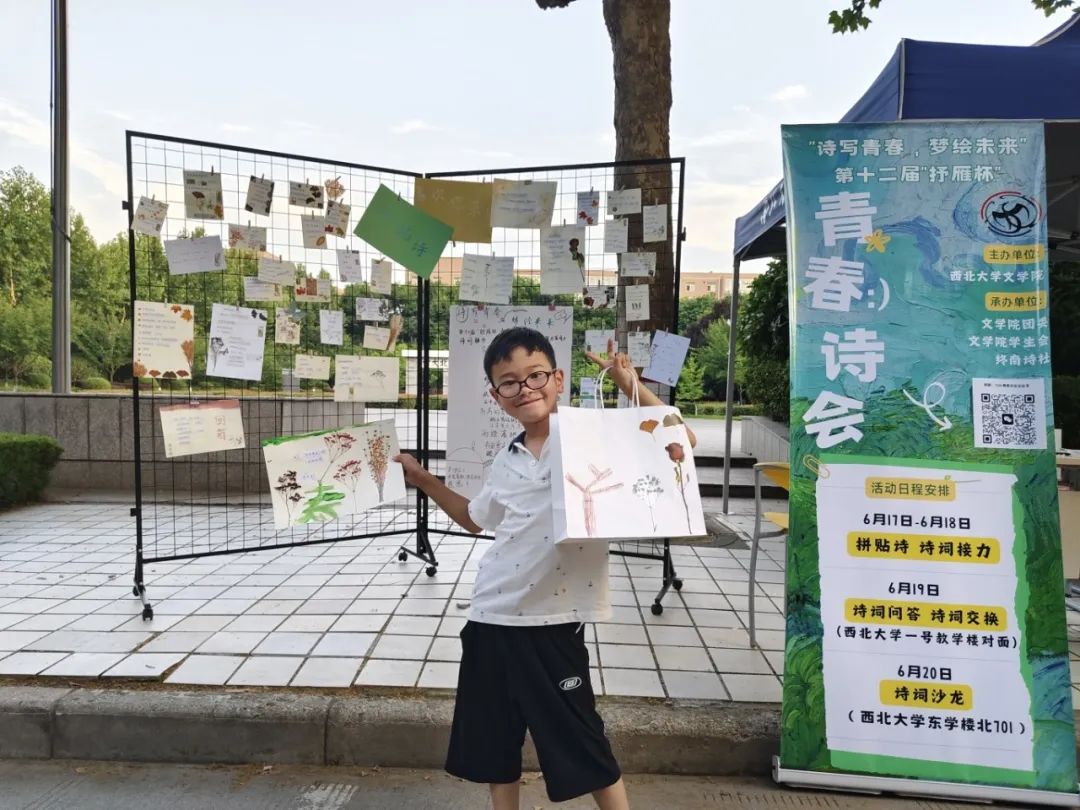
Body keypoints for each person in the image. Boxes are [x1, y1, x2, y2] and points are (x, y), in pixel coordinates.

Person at [394, 328, 695, 810]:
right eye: (509, 382)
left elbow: (681, 441)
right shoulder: (507, 459)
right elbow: (474, 518)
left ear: (557, 379)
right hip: (491, 616)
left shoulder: (593, 439)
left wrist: (628, 384)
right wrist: (420, 476)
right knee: (494, 745)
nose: (524, 388)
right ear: (496, 396)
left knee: (584, 743)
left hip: (554, 623)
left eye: (535, 375)